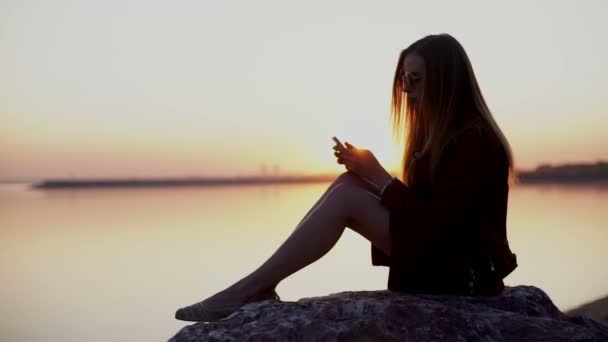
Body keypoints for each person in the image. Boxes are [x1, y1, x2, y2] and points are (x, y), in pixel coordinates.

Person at [175, 33, 518, 322]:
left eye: (416, 80)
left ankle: (250, 290)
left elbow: (440, 228)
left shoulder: (476, 141)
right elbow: (425, 215)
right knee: (348, 184)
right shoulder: (437, 137)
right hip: (446, 262)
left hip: (468, 277)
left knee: (348, 196)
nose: (406, 90)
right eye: (404, 80)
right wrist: (366, 174)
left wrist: (381, 178)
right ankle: (258, 286)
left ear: (445, 81)